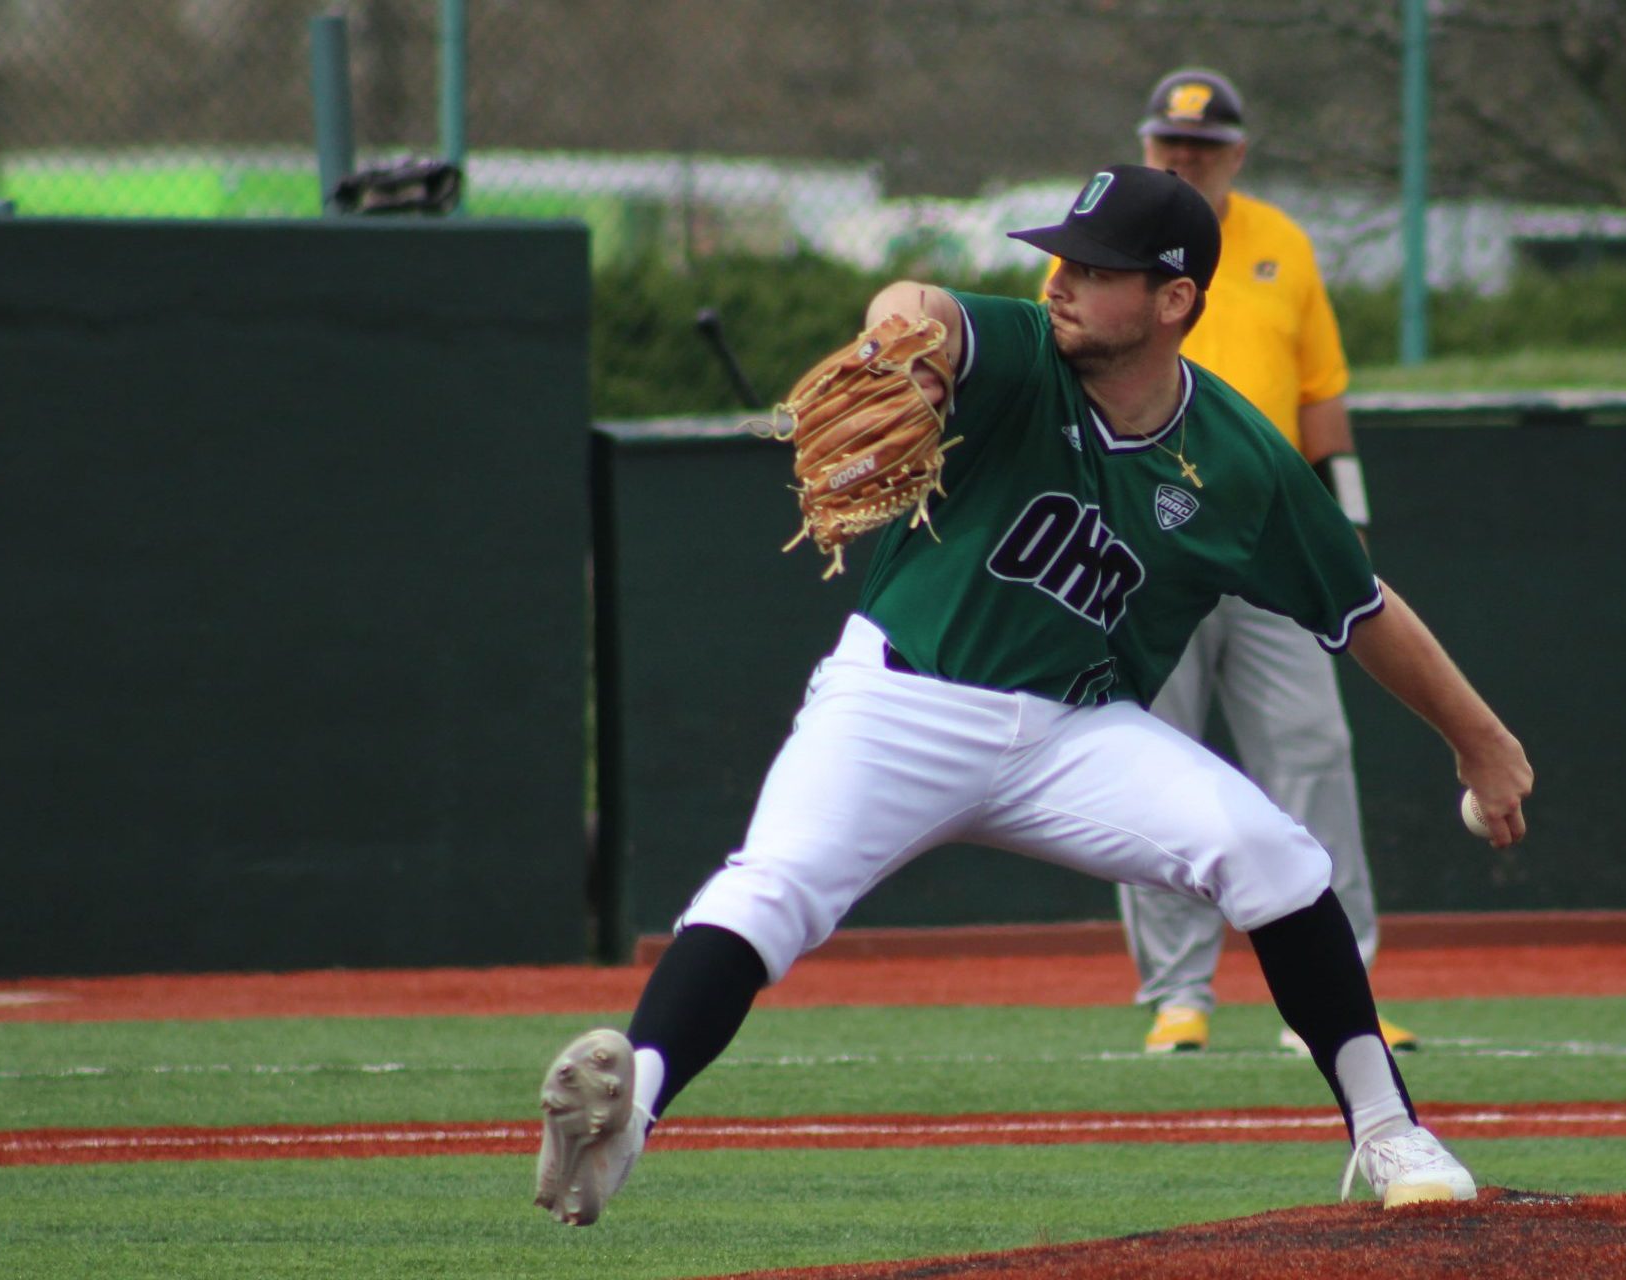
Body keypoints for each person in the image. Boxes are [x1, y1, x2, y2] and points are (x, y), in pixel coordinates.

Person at [531, 163, 1534, 1228]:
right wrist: (900, 358)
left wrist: (1483, 742)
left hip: (1075, 732)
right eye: (1059, 256)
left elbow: (1361, 607)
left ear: (1173, 299)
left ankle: (1389, 1131)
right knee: (774, 887)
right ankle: (628, 1107)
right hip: (899, 702)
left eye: (1096, 267)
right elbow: (920, 307)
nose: (1059, 280)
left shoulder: (1241, 463)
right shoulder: (1018, 352)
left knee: (1275, 855)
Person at [1090, 67, 1406, 1058]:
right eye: (1169, 144)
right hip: (1142, 537)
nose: (1185, 158)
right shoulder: (1102, 245)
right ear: (1147, 149)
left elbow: (1321, 392)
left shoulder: (1281, 243)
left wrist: (1344, 516)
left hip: (1265, 533)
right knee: (1143, 758)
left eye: (1205, 145)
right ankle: (1177, 994)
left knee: (1311, 749)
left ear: (1237, 152)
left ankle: (1337, 984)